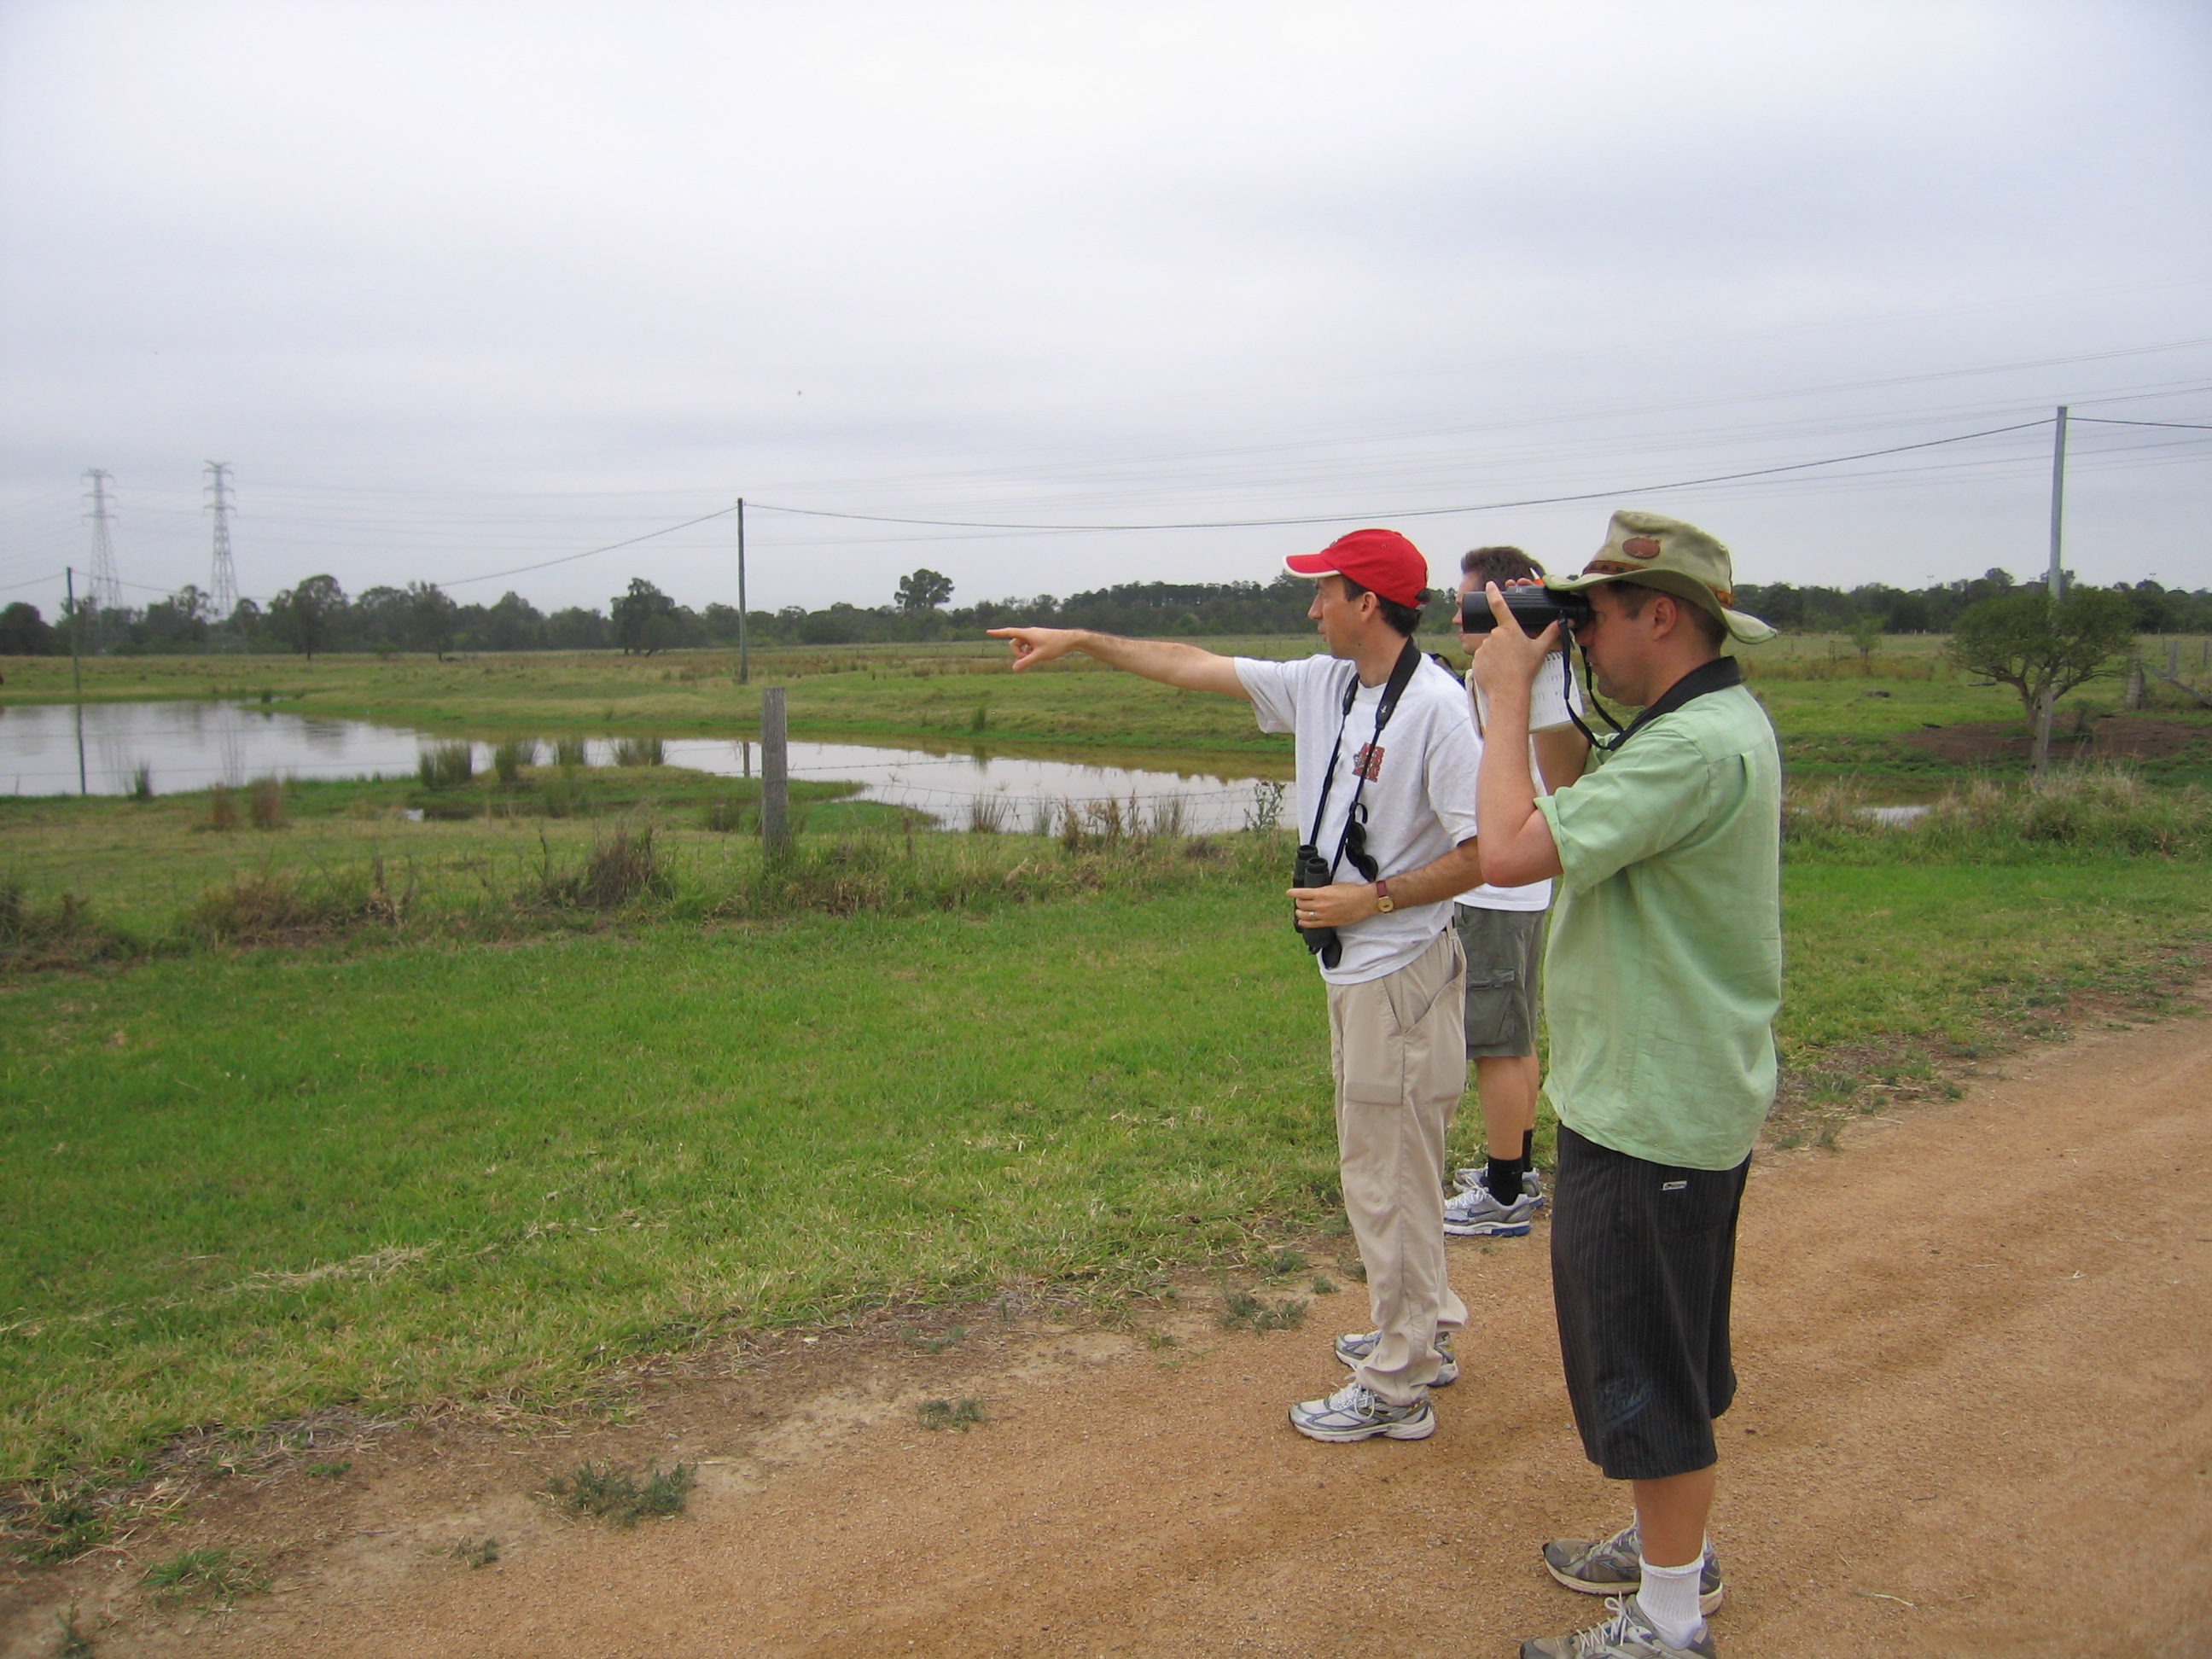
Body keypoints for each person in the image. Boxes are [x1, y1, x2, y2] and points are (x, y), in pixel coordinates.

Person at [990, 528, 1484, 1443]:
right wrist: (1086, 642)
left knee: (1390, 1174)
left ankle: (1399, 1381)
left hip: (1398, 972)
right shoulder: (1328, 685)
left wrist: (1370, 898)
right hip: (1360, 971)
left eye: (1323, 592)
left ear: (1368, 602)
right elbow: (1188, 664)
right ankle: (1420, 1331)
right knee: (1393, 1163)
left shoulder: (1440, 712)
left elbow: (1487, 849)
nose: (1311, 608)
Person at [1468, 509, 1781, 1659]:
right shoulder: (1694, 726)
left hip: (1652, 1107)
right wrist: (1539, 688)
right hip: (1672, 1086)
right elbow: (1568, 798)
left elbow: (1508, 852)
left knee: (1643, 1364)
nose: (1582, 633)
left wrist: (1505, 693)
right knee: (1670, 1350)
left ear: (1662, 614)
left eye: (1593, 614)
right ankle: (1674, 1555)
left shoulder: (1694, 747)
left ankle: (1667, 1621)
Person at [1440, 546, 1588, 1240]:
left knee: (1497, 1045)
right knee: (1517, 1034)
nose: (1457, 616)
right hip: (1521, 887)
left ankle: (1503, 1196)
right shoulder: (1514, 677)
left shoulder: (1532, 682)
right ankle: (1518, 1170)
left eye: (1471, 603)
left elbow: (1558, 780)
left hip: (1501, 892)